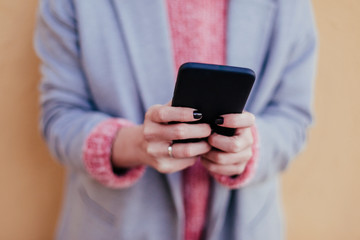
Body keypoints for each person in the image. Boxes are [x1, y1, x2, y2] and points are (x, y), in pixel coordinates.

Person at [34, 0, 317, 239]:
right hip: (116, 225)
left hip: (246, 225)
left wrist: (250, 149)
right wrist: (135, 145)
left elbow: (293, 116)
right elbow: (60, 117)